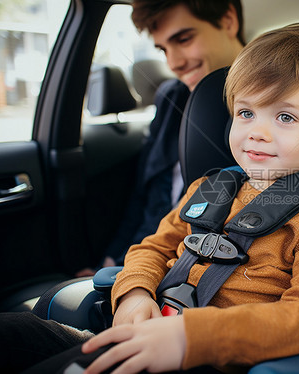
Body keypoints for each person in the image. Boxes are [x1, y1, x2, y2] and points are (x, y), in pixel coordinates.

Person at [0, 23, 299, 373]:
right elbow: (153, 248)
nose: (257, 132)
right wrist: (134, 293)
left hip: (208, 358)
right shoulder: (214, 186)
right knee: (0, 330)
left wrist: (189, 337)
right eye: (246, 112)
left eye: (285, 117)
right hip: (145, 332)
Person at [76, 0, 245, 275]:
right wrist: (111, 262)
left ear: (228, 20)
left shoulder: (274, 108)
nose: (173, 62)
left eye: (184, 39)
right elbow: (144, 193)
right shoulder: (171, 98)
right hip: (141, 259)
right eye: (163, 49)